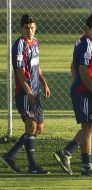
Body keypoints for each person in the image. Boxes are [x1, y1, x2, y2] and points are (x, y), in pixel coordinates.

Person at [53, 14, 92, 176]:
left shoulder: (82, 42)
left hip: (81, 89)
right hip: (84, 91)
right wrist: (90, 89)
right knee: (89, 128)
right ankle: (86, 166)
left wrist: (78, 83)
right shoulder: (87, 44)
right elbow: (82, 69)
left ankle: (66, 152)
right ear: (87, 29)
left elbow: (73, 67)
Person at [0, 14, 50, 174]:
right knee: (31, 125)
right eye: (27, 28)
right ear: (21, 28)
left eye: (32, 28)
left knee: (38, 129)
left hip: (35, 92)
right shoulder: (19, 45)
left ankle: (10, 156)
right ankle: (33, 166)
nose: (30, 31)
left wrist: (44, 83)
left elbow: (36, 65)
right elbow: (20, 71)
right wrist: (28, 91)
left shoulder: (35, 42)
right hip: (24, 93)